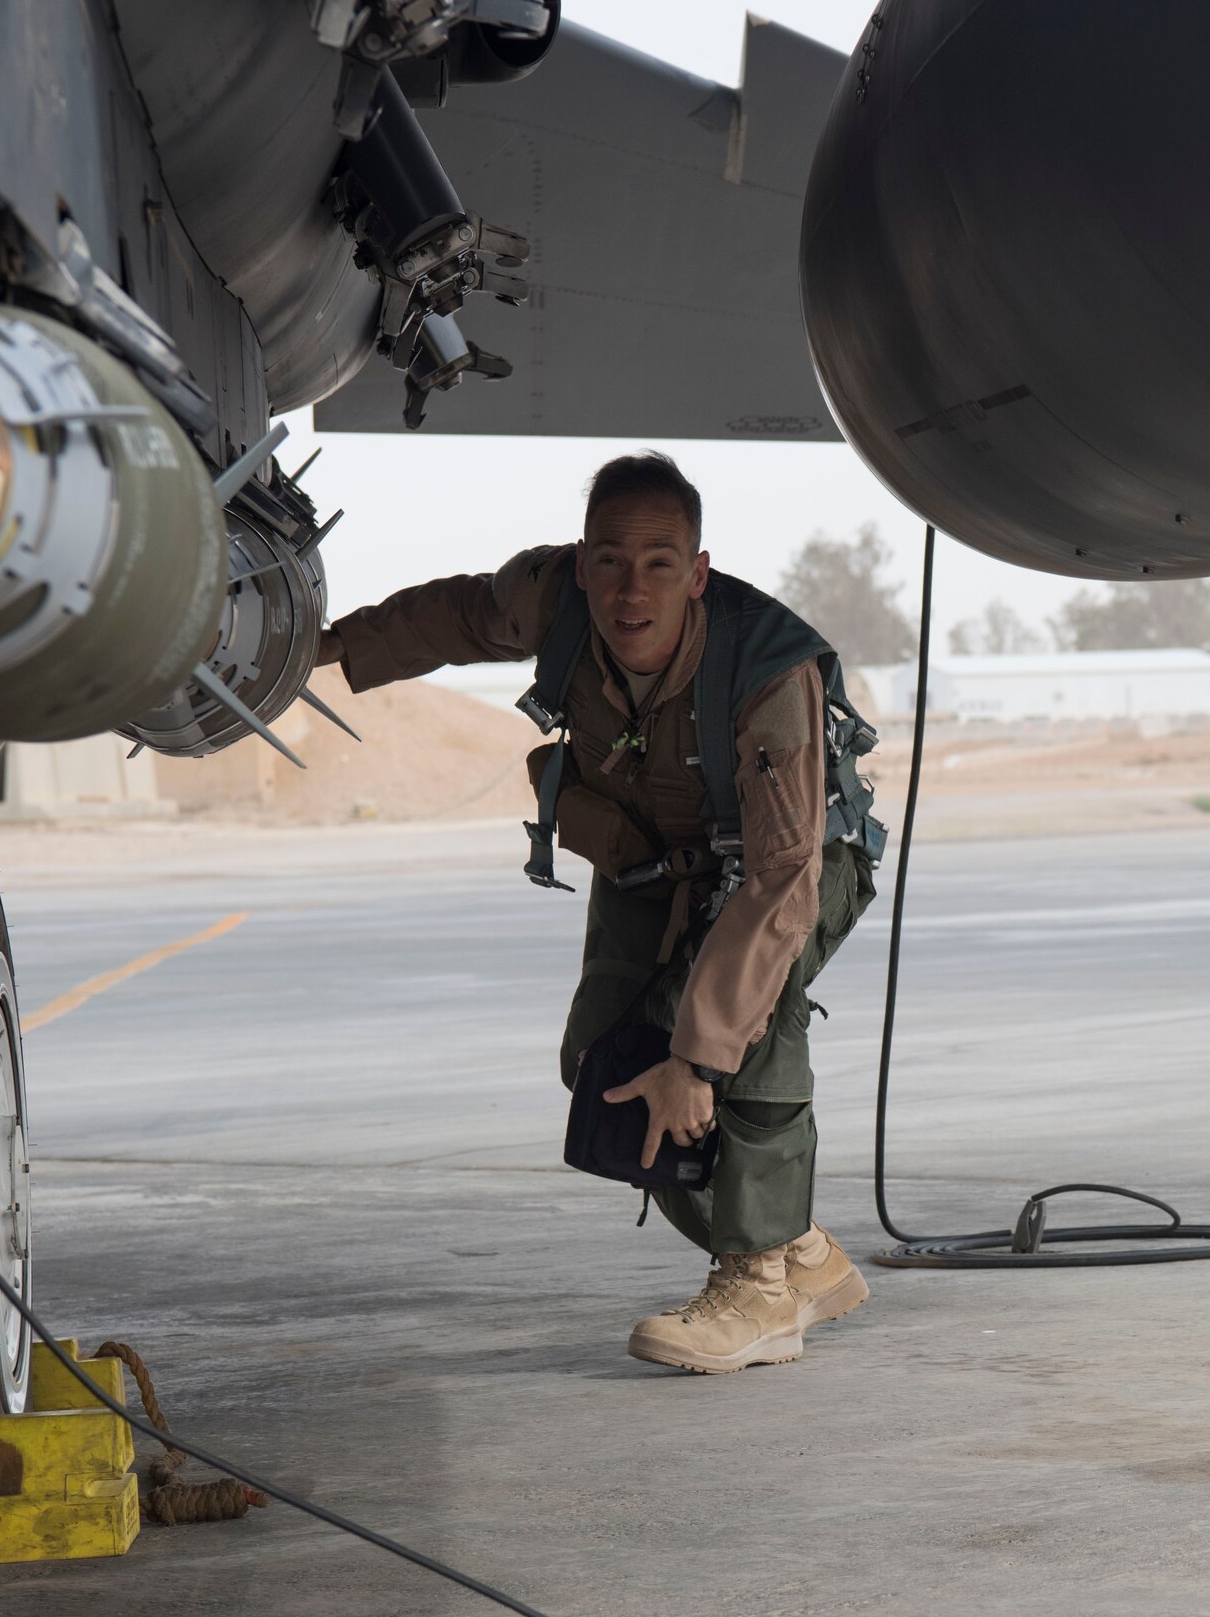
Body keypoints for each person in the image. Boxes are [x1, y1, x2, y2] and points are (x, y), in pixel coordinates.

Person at [315, 452, 876, 1373]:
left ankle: (757, 1289)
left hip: (790, 868)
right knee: (607, 1067)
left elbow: (781, 886)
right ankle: (801, 1252)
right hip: (655, 859)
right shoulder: (552, 597)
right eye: (610, 560)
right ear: (580, 563)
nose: (630, 588)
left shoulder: (768, 670)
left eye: (660, 564)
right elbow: (456, 614)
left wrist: (696, 1056)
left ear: (697, 574)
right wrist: (328, 645)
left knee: (738, 1029)